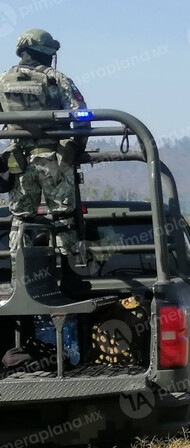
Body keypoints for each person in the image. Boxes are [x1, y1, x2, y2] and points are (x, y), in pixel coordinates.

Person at [0, 29, 89, 277]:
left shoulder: (2, 80)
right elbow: (81, 116)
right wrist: (77, 150)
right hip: (55, 161)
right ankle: (73, 278)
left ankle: (20, 279)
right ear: (46, 52)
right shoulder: (56, 79)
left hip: (18, 162)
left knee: (20, 220)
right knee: (65, 218)